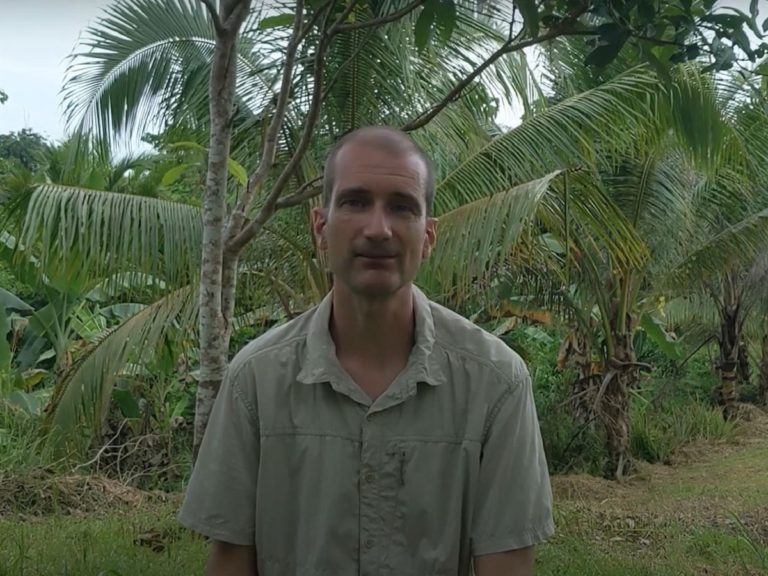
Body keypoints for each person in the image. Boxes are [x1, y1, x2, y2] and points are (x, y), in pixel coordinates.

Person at [178, 126, 554, 576]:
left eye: (402, 207)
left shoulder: (496, 382)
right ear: (321, 226)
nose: (379, 229)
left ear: (428, 236)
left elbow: (506, 563)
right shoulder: (255, 381)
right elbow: (231, 558)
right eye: (356, 202)